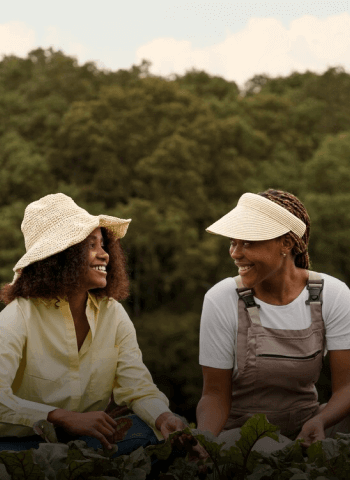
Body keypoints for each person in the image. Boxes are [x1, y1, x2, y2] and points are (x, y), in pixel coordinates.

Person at [0, 193, 203, 458]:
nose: (104, 254)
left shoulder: (113, 314)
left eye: (103, 244)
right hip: (20, 446)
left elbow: (136, 387)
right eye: (91, 245)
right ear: (61, 256)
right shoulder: (19, 315)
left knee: (156, 429)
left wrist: (163, 417)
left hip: (86, 443)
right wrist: (59, 417)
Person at [196, 189, 350, 449]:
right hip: (243, 438)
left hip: (309, 426)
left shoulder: (332, 294)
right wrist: (204, 440)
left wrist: (321, 421)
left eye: (248, 243)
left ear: (286, 244)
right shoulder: (221, 298)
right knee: (264, 446)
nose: (235, 253)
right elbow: (214, 395)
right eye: (233, 243)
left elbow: (346, 387)